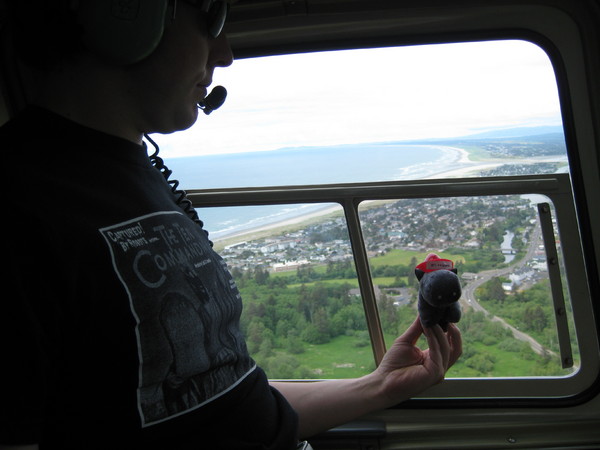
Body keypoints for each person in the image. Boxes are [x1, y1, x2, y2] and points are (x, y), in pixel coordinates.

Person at [0, 1, 462, 449]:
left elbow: (226, 404)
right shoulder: (19, 201)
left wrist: (379, 387)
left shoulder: (132, 175)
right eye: (212, 18)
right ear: (125, 12)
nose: (225, 54)